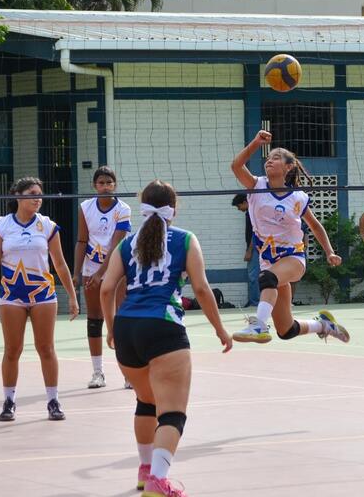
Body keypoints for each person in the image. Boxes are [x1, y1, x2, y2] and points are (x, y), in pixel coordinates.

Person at [100, 180, 232, 496]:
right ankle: (158, 482)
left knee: (146, 401)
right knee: (172, 413)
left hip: (127, 328)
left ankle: (146, 471)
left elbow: (107, 288)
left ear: (143, 206)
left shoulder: (126, 243)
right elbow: (201, 289)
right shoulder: (186, 239)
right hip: (163, 327)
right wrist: (220, 329)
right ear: (174, 208)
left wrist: (111, 328)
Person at [230, 130, 349, 344]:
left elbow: (315, 225)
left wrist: (329, 251)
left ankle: (257, 325)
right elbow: (236, 166)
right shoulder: (256, 185)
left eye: (276, 158)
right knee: (286, 330)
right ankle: (324, 325)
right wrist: (256, 143)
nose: (269, 161)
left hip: (293, 258)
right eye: (268, 158)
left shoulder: (298, 197)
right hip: (269, 261)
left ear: (289, 166)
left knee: (267, 278)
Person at [0, 177, 79, 422]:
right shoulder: (1, 226)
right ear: (18, 196)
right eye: (32, 193)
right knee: (12, 350)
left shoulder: (47, 226)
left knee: (46, 348)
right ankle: (9, 401)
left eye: (40, 194)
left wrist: (71, 295)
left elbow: (59, 263)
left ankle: (53, 400)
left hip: (43, 295)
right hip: (11, 295)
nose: (38, 198)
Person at [73, 166, 132, 389]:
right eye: (101, 182)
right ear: (94, 185)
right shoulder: (85, 207)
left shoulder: (123, 209)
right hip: (91, 268)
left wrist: (101, 274)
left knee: (120, 319)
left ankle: (128, 373)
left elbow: (117, 244)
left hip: (117, 268)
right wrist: (77, 273)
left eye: (109, 182)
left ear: (114, 185)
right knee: (95, 319)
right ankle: (98, 372)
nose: (105, 186)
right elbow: (81, 241)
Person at [231, 193, 260, 307]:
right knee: (255, 276)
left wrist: (249, 250)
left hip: (255, 248)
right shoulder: (251, 212)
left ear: (245, 202)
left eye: (239, 206)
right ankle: (254, 301)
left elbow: (255, 233)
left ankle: (255, 302)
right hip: (256, 247)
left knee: (253, 276)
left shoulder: (252, 213)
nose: (239, 209)